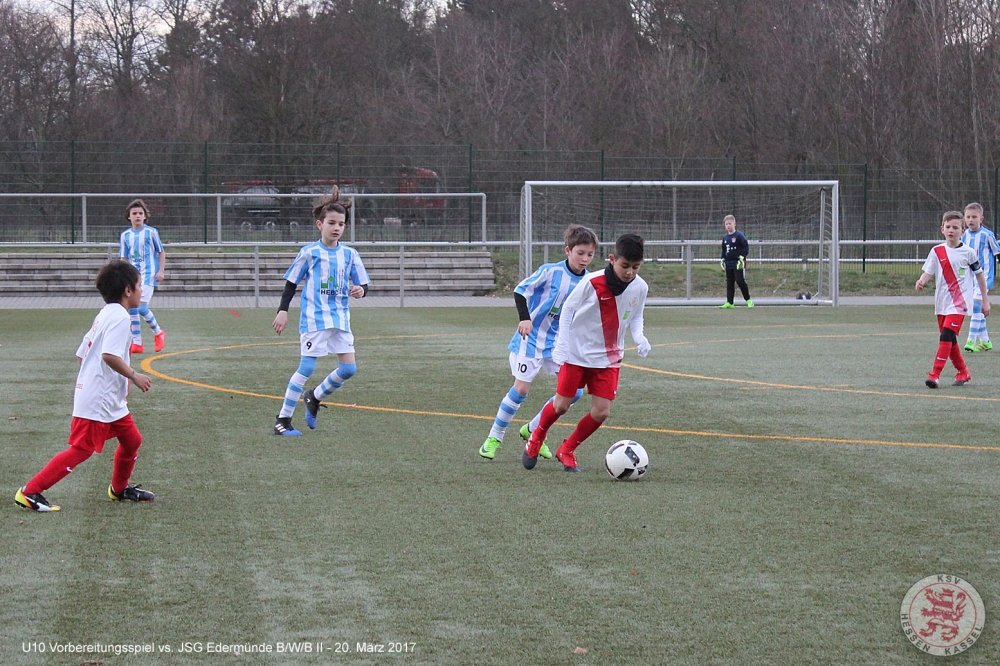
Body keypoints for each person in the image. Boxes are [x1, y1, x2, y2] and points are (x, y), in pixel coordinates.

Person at [15, 260, 155, 512]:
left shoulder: (105, 314)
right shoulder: (120, 318)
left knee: (132, 440)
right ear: (127, 290)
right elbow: (109, 355)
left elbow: (83, 353)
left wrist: (107, 382)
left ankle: (119, 489)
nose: (141, 290)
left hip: (108, 399)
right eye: (139, 285)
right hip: (98, 400)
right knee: (81, 449)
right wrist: (133, 376)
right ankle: (30, 492)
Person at [522, 233, 651, 472]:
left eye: (636, 267)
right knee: (561, 405)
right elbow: (568, 309)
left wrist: (639, 337)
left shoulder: (640, 287)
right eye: (625, 265)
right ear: (612, 259)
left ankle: (567, 449)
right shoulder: (592, 281)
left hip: (609, 358)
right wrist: (562, 344)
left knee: (602, 412)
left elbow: (636, 315)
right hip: (576, 354)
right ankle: (536, 435)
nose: (630, 272)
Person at [479, 225, 599, 460]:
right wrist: (525, 318)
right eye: (580, 253)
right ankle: (494, 437)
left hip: (558, 344)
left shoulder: (590, 281)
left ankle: (533, 430)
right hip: (531, 339)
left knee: (574, 392)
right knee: (521, 390)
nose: (585, 259)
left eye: (590, 254)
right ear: (568, 250)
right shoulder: (551, 271)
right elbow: (520, 291)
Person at [272, 187, 370, 436]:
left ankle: (314, 397)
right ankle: (282, 420)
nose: (336, 228)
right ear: (320, 224)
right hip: (314, 319)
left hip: (340, 318)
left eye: (341, 224)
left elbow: (363, 284)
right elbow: (291, 284)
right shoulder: (309, 253)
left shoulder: (350, 254)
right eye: (331, 223)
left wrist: (361, 290)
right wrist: (283, 311)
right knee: (306, 368)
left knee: (348, 369)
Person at [915, 210, 990, 389]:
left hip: (960, 304)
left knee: (946, 335)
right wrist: (922, 281)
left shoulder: (969, 253)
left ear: (962, 231)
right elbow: (929, 271)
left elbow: (980, 276)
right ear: (942, 229)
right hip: (942, 302)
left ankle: (935, 375)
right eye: (948, 227)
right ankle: (963, 371)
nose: (951, 230)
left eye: (955, 227)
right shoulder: (937, 251)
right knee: (950, 340)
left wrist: (985, 300)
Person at [119, 199, 166, 354]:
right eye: (134, 213)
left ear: (145, 216)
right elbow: (124, 258)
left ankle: (158, 333)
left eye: (140, 213)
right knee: (133, 308)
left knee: (141, 307)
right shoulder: (125, 235)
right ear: (129, 217)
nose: (137, 216)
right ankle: (137, 343)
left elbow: (161, 252)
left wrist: (161, 271)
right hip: (133, 276)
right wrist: (122, 275)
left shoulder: (151, 232)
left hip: (148, 276)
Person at [960, 202, 999, 352]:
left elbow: (997, 253)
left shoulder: (987, 235)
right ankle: (985, 341)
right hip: (969, 278)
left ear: (981, 219)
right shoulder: (964, 235)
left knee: (976, 305)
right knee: (976, 308)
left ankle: (971, 340)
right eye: (968, 217)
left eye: (974, 217)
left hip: (985, 276)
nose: (971, 220)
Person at [719, 214, 754, 309]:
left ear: (734, 224)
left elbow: (745, 247)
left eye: (730, 223)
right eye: (726, 224)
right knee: (730, 282)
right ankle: (730, 302)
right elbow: (724, 250)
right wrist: (722, 259)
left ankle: (748, 300)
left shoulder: (739, 236)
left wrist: (742, 258)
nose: (728, 226)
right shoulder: (725, 238)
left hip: (738, 263)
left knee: (740, 280)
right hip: (728, 263)